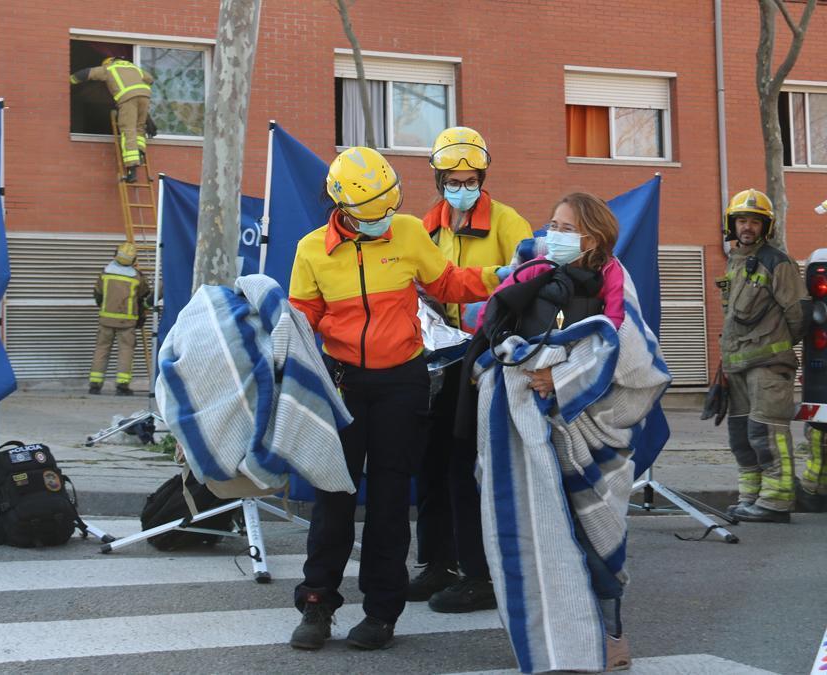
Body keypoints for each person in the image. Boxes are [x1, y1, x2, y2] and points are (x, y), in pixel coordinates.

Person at [287, 146, 502, 651]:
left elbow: (446, 281)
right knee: (334, 499)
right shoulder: (311, 250)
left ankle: (381, 614)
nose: (383, 220)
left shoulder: (407, 232)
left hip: (403, 383)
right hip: (343, 385)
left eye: (389, 208)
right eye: (372, 214)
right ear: (340, 205)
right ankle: (316, 603)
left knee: (387, 502)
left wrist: (504, 274)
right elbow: (300, 319)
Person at [471, 193, 670, 672]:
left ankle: (611, 634)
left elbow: (635, 356)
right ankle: (553, 634)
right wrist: (524, 364)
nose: (551, 234)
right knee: (539, 533)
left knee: (596, 536)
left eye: (563, 227)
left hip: (593, 430)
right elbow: (492, 326)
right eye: (552, 222)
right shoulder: (530, 270)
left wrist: (561, 376)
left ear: (592, 238)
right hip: (532, 426)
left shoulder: (615, 279)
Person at [410, 126, 532, 613]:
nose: (462, 185)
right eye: (453, 177)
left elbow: (532, 282)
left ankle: (478, 574)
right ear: (438, 179)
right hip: (436, 359)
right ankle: (438, 562)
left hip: (483, 361)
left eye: (470, 177)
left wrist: (493, 318)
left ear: (482, 175)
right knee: (431, 464)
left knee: (466, 467)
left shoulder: (507, 222)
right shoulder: (425, 228)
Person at [718, 189, 805, 523]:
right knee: (741, 437)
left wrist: (777, 345)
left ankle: (776, 502)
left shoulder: (777, 262)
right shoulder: (735, 261)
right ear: (732, 224)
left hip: (767, 367)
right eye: (742, 220)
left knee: (766, 434)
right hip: (738, 365)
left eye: (755, 221)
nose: (747, 227)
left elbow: (796, 314)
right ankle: (750, 497)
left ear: (765, 227)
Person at [70, 56, 153, 183]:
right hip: (145, 97)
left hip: (128, 99)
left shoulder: (108, 68)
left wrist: (69, 81)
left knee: (128, 130)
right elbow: (150, 79)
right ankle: (140, 154)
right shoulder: (134, 67)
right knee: (139, 127)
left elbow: (86, 74)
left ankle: (132, 168)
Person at [89, 242, 152, 396]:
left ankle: (95, 385)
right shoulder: (137, 277)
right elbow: (144, 295)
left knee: (101, 349)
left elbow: (97, 294)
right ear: (133, 259)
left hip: (106, 320)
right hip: (127, 322)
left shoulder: (105, 274)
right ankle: (122, 386)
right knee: (126, 351)